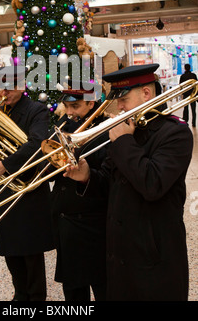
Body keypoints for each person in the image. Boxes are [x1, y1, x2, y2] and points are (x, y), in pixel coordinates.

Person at [64, 64, 193, 301]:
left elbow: (152, 184)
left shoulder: (176, 133)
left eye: (123, 99)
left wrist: (124, 141)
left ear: (146, 94)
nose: (119, 107)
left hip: (155, 260)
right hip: (120, 255)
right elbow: (109, 184)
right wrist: (86, 176)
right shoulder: (128, 130)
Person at [0, 66, 54, 301]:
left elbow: (37, 144)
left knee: (30, 252)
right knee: (10, 249)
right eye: (0, 87)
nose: (4, 92)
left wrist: (5, 164)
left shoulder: (37, 111)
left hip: (27, 190)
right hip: (3, 189)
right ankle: (20, 295)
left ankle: (35, 298)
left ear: (22, 85)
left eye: (10, 87)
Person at [50, 83, 109, 301]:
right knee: (73, 292)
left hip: (93, 222)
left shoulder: (106, 127)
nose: (69, 112)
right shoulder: (65, 122)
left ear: (91, 103)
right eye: (66, 106)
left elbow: (107, 175)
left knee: (103, 287)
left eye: (75, 106)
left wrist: (85, 172)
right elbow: (48, 162)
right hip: (66, 220)